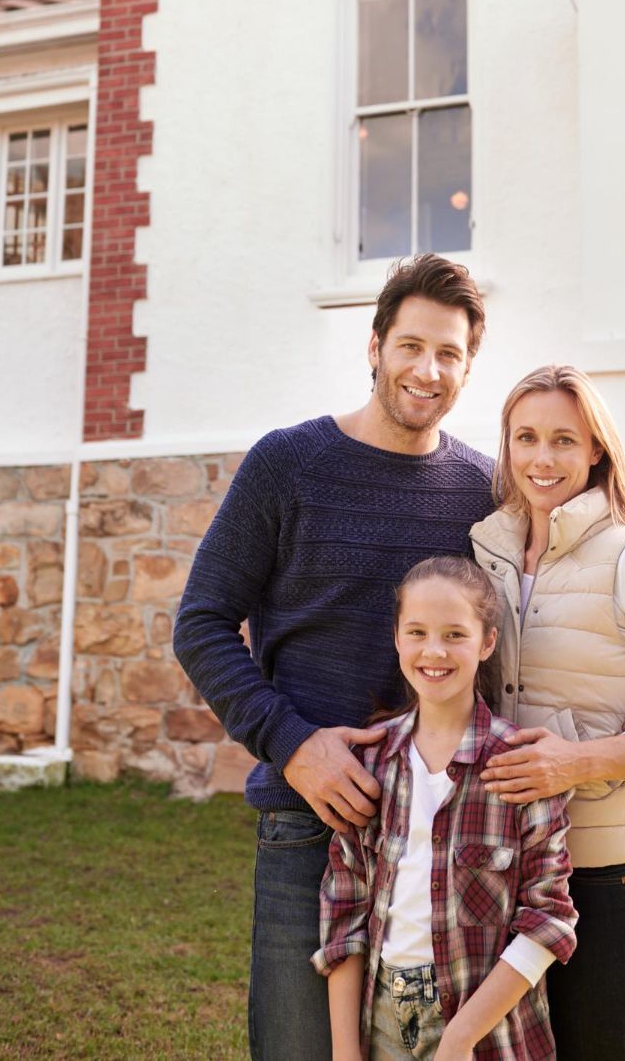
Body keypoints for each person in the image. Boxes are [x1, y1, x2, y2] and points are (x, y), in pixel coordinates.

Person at [173, 255, 496, 1061]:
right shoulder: (289, 464)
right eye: (411, 346)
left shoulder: (484, 492)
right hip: (309, 823)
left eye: (449, 354)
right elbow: (202, 622)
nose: (428, 370)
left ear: (467, 367)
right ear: (375, 345)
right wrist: (293, 743)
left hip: (441, 833)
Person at [470, 365, 625, 1061]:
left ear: (595, 451)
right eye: (525, 437)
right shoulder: (484, 551)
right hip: (504, 872)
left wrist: (574, 762)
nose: (541, 459)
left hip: (609, 878)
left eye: (562, 440)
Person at [313, 554, 577, 1061]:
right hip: (382, 1018)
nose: (434, 651)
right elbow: (343, 911)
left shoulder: (522, 767)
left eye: (455, 634)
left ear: (487, 642)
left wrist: (460, 1038)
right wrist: (346, 1051)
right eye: (417, 632)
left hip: (488, 1030)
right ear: (396, 638)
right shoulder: (369, 763)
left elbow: (548, 918)